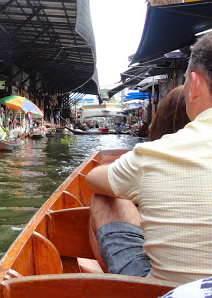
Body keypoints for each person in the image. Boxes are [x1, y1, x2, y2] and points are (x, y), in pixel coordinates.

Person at [86, 33, 212, 284]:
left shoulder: (156, 153)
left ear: (195, 84)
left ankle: (114, 285)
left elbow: (92, 178)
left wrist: (138, 188)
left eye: (185, 79)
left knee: (103, 194)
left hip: (163, 291)